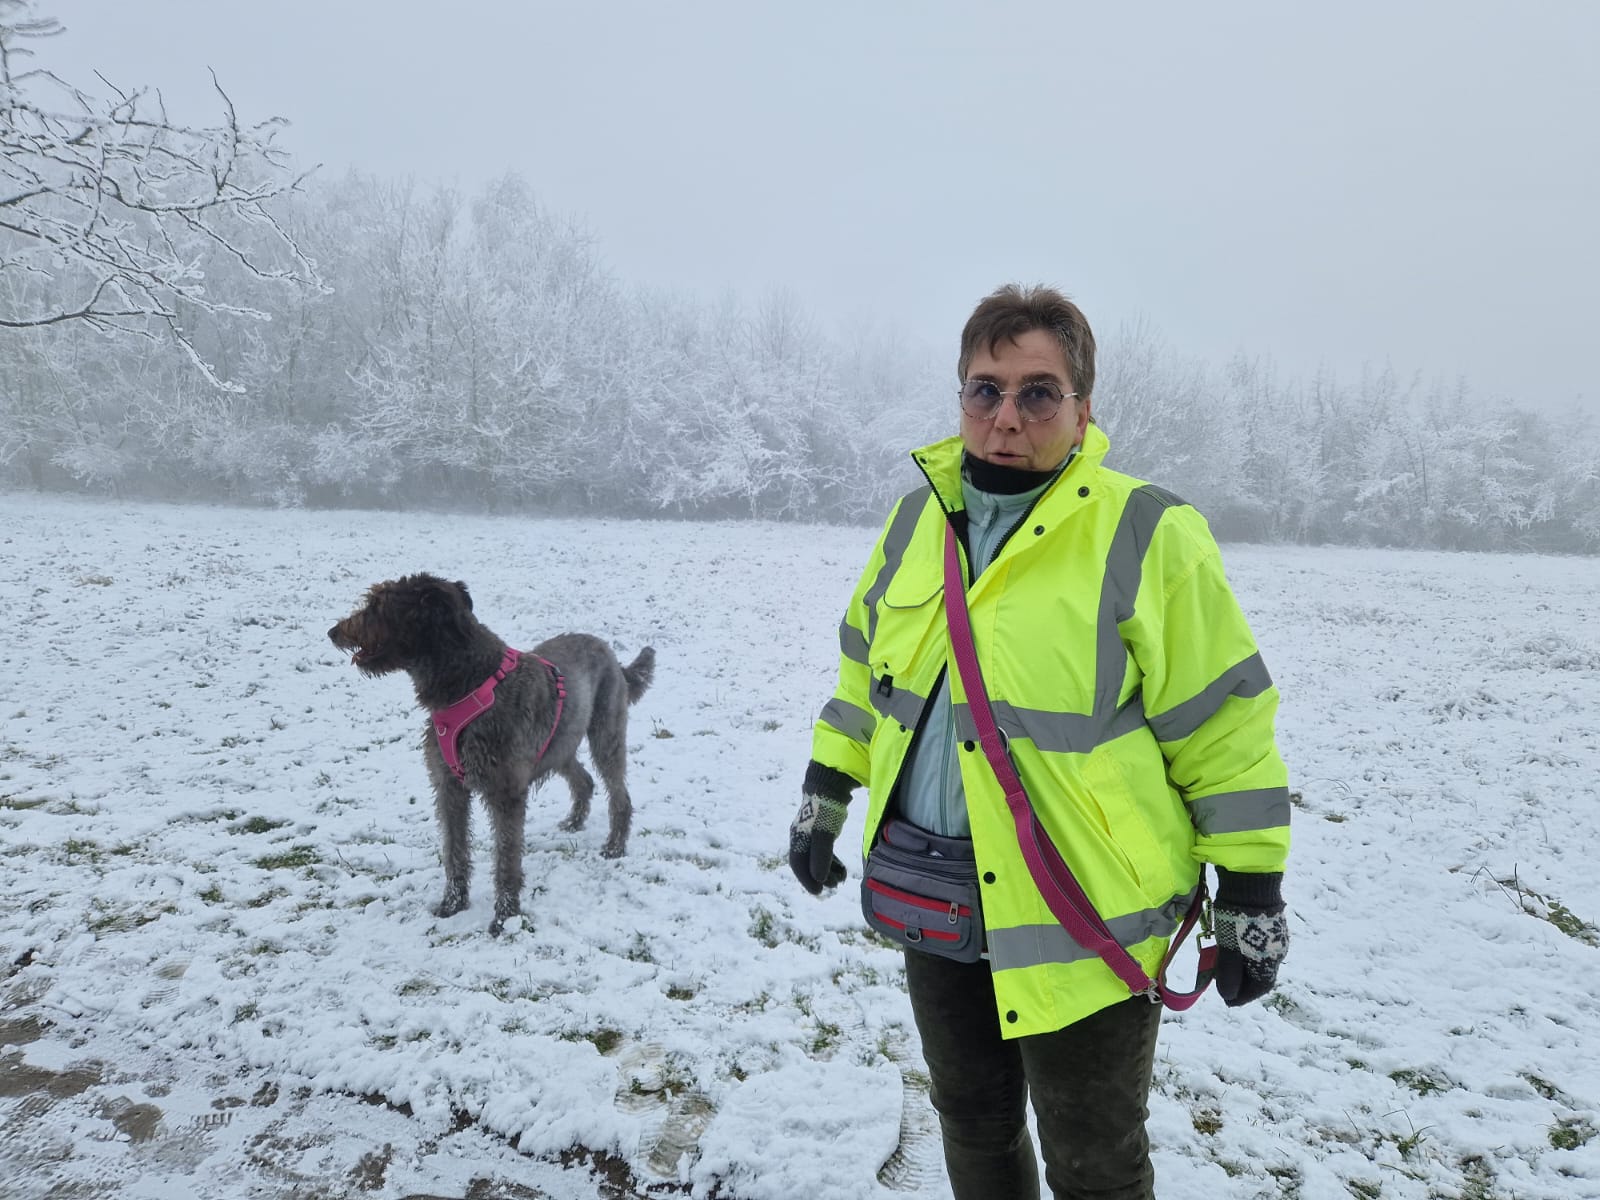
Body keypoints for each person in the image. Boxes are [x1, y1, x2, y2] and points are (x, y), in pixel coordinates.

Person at [787, 284, 1291, 1200]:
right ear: (962, 398)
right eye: (986, 389)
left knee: (1095, 1163)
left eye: (1038, 393)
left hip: (1083, 910)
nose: (1006, 416)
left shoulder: (1145, 529)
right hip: (936, 891)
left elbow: (1223, 720)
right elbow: (867, 672)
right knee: (972, 1125)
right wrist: (826, 789)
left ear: (1082, 409)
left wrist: (1251, 888)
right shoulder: (914, 522)